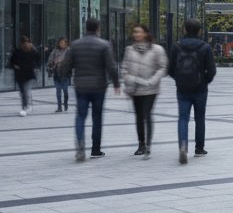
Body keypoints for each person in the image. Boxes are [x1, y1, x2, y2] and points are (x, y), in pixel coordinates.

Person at [61, 17, 119, 160]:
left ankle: (80, 144)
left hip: (80, 86)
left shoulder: (75, 45)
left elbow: (65, 66)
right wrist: (117, 83)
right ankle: (95, 149)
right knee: (97, 117)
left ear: (85, 27)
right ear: (98, 28)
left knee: (80, 115)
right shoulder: (104, 45)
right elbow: (111, 66)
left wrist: (64, 76)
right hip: (99, 86)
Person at [168, 18, 216, 165]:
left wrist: (178, 80)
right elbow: (212, 70)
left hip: (182, 89)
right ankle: (199, 148)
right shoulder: (205, 47)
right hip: (200, 88)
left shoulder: (177, 46)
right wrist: (204, 81)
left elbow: (170, 69)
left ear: (184, 29)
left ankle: (183, 144)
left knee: (183, 118)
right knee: (199, 118)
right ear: (200, 31)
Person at [121, 25, 167, 159]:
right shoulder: (129, 50)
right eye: (134, 32)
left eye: (139, 32)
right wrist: (131, 78)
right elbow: (124, 69)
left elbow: (162, 67)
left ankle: (148, 145)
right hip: (135, 89)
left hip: (150, 88)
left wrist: (153, 80)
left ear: (146, 34)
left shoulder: (157, 50)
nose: (136, 34)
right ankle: (141, 144)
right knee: (139, 116)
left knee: (147, 114)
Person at [8, 36, 40, 116]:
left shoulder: (32, 51)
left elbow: (38, 58)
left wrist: (34, 49)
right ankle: (25, 105)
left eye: (27, 42)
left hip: (28, 74)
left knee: (25, 90)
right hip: (19, 74)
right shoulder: (17, 52)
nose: (25, 44)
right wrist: (14, 66)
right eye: (24, 43)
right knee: (22, 92)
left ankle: (25, 106)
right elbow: (11, 61)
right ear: (21, 43)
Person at [47, 38, 71, 112]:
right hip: (57, 74)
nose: (61, 44)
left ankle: (66, 103)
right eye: (60, 43)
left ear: (66, 43)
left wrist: (63, 61)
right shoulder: (55, 51)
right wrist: (53, 62)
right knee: (58, 91)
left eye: (63, 43)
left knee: (65, 91)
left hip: (65, 74)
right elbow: (49, 61)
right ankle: (59, 107)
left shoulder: (69, 51)